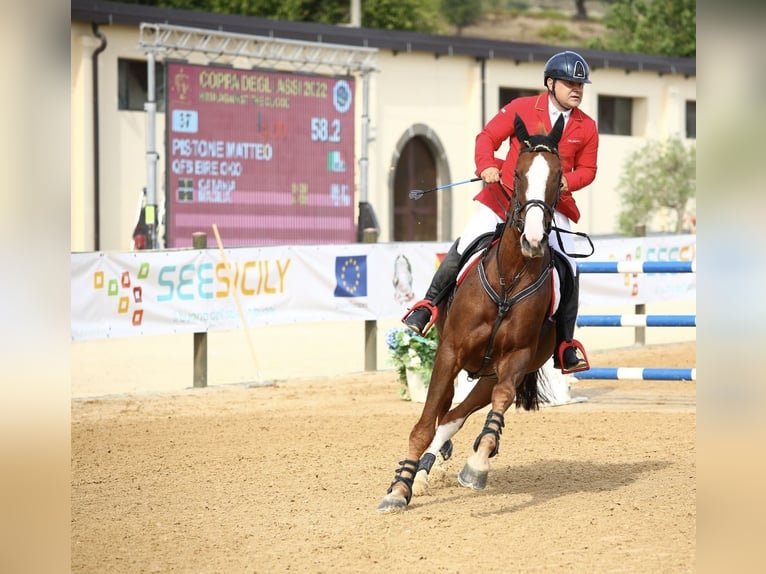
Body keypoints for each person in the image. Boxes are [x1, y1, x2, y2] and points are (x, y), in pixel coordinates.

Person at [402, 50, 599, 373]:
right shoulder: (522, 108)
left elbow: (588, 169)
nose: (576, 89)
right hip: (504, 198)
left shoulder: (586, 126)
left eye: (580, 84)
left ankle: (565, 344)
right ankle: (427, 306)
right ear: (550, 83)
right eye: (569, 83)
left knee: (570, 268)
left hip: (552, 206)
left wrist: (566, 181)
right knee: (466, 243)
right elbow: (487, 137)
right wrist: (487, 166)